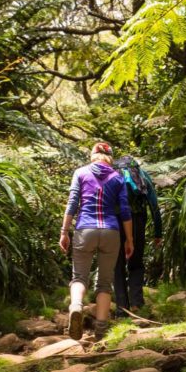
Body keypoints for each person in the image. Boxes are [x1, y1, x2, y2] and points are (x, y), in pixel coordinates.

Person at [59, 142, 134, 340]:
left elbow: (73, 202)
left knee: (79, 277)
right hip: (111, 231)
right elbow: (125, 211)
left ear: (93, 155)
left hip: (85, 229)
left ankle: (76, 306)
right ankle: (101, 330)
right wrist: (130, 239)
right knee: (104, 284)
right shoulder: (118, 178)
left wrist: (64, 232)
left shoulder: (81, 173)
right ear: (110, 157)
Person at [112, 155, 163, 316]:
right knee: (136, 263)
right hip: (137, 221)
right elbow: (154, 204)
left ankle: (121, 308)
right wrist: (157, 232)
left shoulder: (112, 175)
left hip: (115, 222)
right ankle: (136, 303)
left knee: (117, 265)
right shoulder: (142, 175)